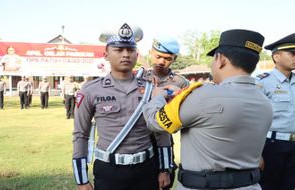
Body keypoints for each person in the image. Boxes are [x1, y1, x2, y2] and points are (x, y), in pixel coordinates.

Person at [143, 29, 274, 189]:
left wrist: (157, 97)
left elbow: (154, 123)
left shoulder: (202, 95)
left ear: (221, 60)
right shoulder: (265, 101)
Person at [72, 23, 171, 190]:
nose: (125, 54)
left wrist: (165, 169)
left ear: (136, 54)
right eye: (118, 50)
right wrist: (81, 179)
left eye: (130, 50)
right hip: (109, 170)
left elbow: (161, 130)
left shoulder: (151, 88)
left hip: (146, 168)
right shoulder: (90, 91)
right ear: (106, 55)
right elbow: (80, 134)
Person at [144, 36, 189, 190]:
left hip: (164, 140)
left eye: (167, 58)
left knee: (163, 184)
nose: (161, 62)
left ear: (174, 59)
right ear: (150, 53)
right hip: (139, 140)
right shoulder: (139, 78)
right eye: (158, 56)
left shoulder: (180, 82)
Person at [256, 33, 295, 190]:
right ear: (277, 57)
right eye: (292, 53)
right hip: (271, 145)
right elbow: (254, 120)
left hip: (294, 146)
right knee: (268, 186)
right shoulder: (263, 82)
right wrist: (256, 154)